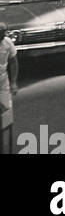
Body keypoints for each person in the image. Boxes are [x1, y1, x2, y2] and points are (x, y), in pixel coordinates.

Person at [0, 20, 18, 156]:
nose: (3, 35)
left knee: (6, 114)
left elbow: (13, 62)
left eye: (4, 32)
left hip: (2, 82)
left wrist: (13, 82)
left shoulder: (7, 43)